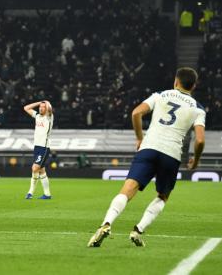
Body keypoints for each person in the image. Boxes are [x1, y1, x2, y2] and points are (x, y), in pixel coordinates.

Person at [87, 67, 205, 247]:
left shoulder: (160, 95)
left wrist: (140, 138)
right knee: (162, 196)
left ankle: (106, 224)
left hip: (149, 148)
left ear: (176, 81)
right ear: (194, 86)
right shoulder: (198, 109)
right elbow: (200, 140)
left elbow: (136, 113)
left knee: (128, 189)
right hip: (171, 154)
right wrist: (195, 161)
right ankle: (138, 230)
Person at [23, 101, 54, 199]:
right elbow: (26, 108)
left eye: (43, 107)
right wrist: (39, 103)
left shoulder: (49, 117)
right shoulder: (37, 116)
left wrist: (46, 103)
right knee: (41, 171)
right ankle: (47, 194)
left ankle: (30, 192)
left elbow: (50, 108)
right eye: (40, 107)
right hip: (36, 147)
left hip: (44, 148)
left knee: (35, 168)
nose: (41, 108)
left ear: (47, 109)